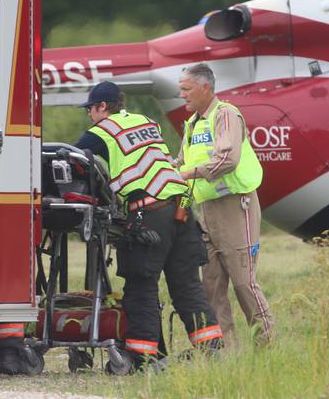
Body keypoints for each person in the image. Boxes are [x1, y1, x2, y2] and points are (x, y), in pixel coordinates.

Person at [74, 80, 222, 370]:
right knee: (187, 286)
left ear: (103, 107)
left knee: (141, 287)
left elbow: (72, 156)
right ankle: (211, 351)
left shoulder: (103, 130)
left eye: (90, 109)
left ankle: (142, 358)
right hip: (181, 211)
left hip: (149, 213)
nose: (89, 115)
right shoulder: (145, 121)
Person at [176, 63, 274, 345]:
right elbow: (181, 162)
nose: (182, 95)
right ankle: (225, 354)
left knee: (244, 282)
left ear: (205, 87)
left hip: (235, 208)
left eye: (186, 89)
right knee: (211, 287)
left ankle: (267, 348)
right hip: (206, 212)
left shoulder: (226, 114)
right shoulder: (193, 123)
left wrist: (187, 173)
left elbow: (227, 160)